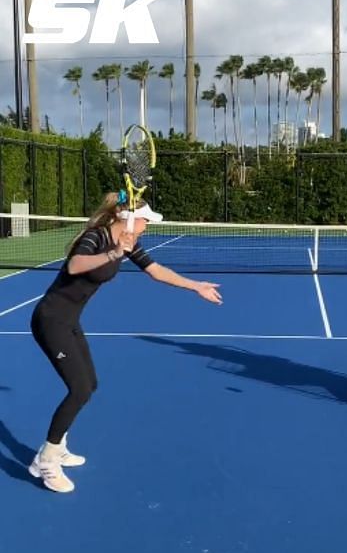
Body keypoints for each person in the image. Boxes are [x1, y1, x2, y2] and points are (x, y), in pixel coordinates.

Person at [29, 193, 223, 493]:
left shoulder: (129, 243)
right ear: (128, 219)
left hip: (68, 322)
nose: (147, 226)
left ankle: (58, 446)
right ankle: (46, 462)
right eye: (146, 220)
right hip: (50, 320)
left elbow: (156, 271)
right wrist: (113, 253)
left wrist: (195, 286)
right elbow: (75, 265)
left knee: (89, 385)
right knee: (79, 389)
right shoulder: (97, 237)